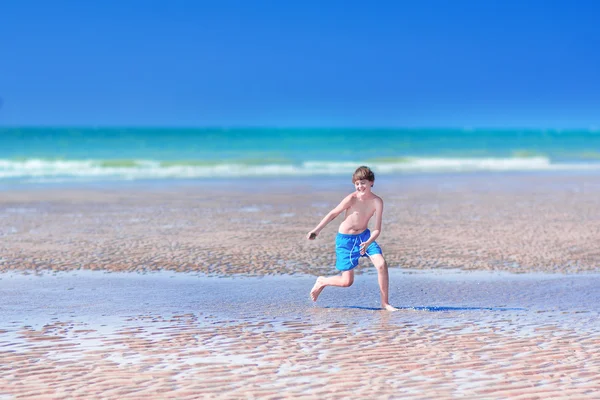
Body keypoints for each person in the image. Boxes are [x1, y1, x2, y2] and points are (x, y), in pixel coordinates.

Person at [307, 166, 398, 311]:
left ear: (371, 182)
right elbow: (333, 213)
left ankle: (385, 303)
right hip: (346, 240)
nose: (360, 186)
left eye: (363, 183)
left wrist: (368, 243)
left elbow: (377, 229)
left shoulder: (377, 202)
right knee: (346, 281)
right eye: (357, 184)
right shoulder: (351, 198)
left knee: (381, 264)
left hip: (365, 236)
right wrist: (316, 230)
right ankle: (322, 281)